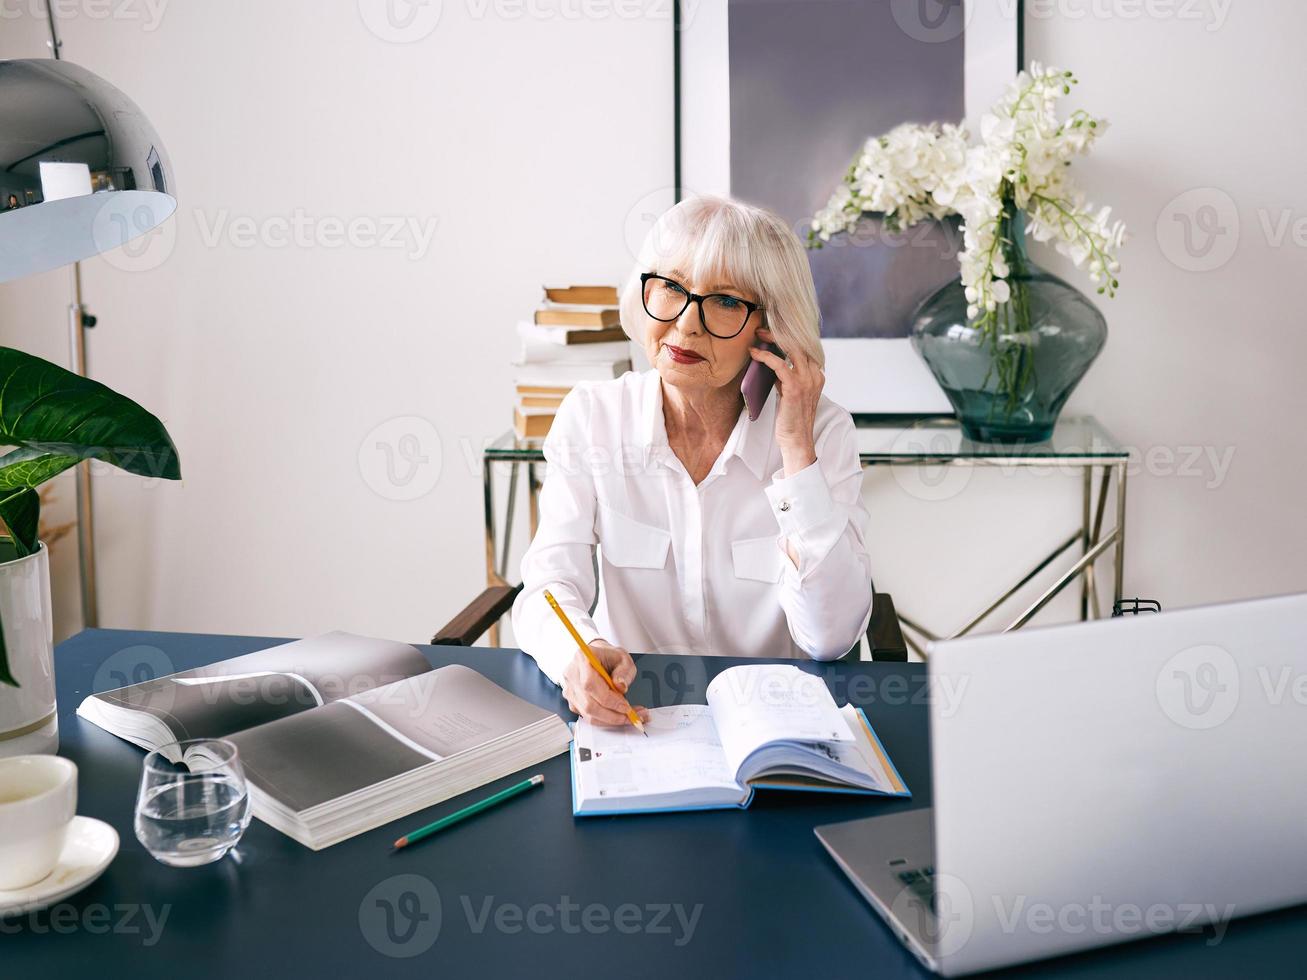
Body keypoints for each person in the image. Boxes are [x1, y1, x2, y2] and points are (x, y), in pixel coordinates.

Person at [511, 195, 873, 726]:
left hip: (775, 729)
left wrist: (797, 452)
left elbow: (831, 637)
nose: (686, 324)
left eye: (725, 300)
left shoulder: (822, 434)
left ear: (770, 327)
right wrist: (580, 654)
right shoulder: (594, 418)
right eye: (673, 288)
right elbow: (547, 584)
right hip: (638, 722)